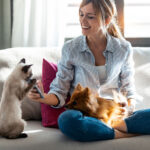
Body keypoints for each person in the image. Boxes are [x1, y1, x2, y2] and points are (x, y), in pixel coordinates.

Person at [28, 0, 150, 142]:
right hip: (85, 115)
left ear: (107, 20)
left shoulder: (123, 48)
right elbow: (59, 91)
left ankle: (110, 126)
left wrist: (128, 107)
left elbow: (129, 90)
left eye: (90, 16)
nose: (83, 21)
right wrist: (43, 97)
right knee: (66, 120)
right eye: (81, 14)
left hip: (113, 113)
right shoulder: (71, 48)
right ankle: (118, 132)